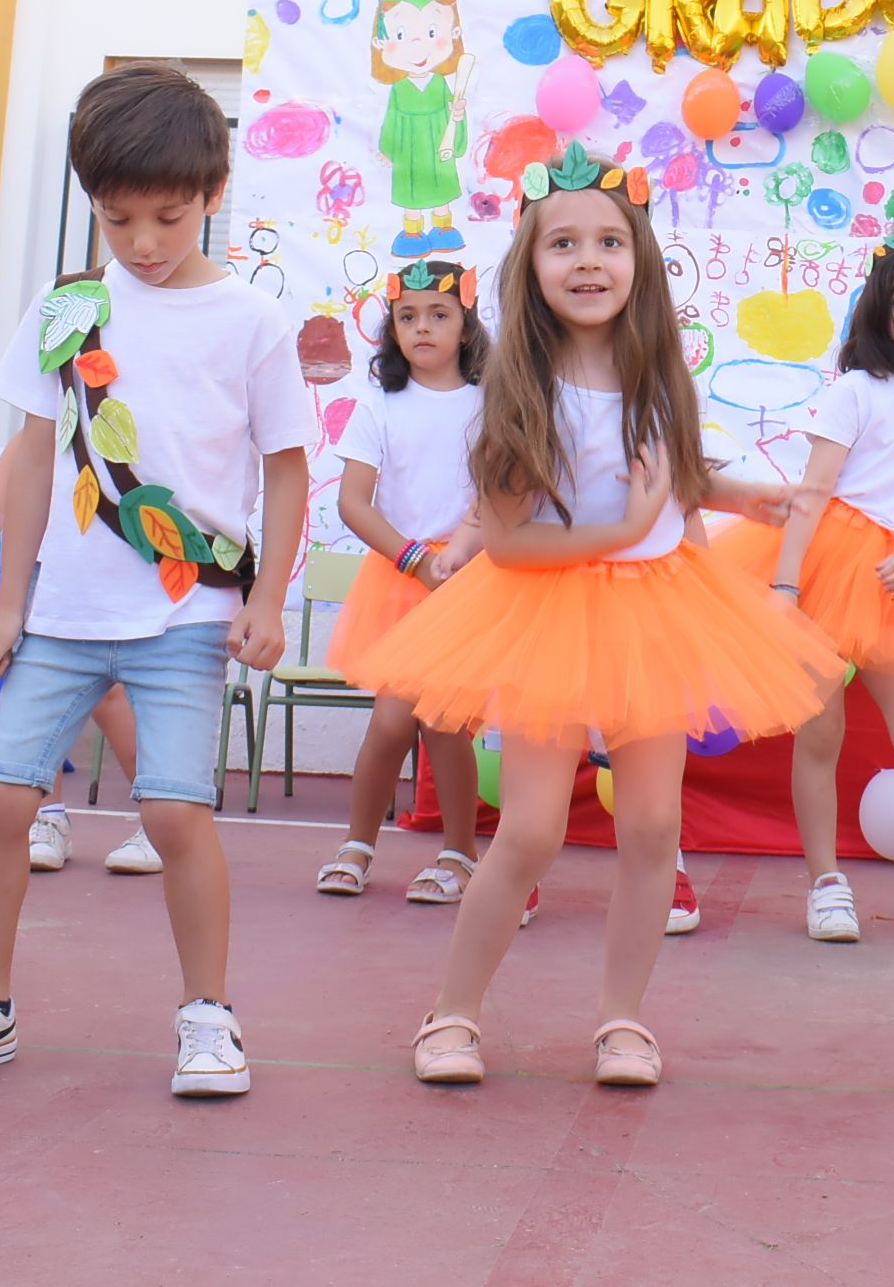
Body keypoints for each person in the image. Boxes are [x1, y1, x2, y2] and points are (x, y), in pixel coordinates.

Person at [345, 140, 832, 1090]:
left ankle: (623, 1021)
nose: (588, 261)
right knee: (530, 831)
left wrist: (739, 498)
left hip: (657, 612)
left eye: (610, 241)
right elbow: (516, 543)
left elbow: (669, 468)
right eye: (563, 243)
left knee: (653, 827)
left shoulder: (657, 374)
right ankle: (451, 1014)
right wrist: (638, 525)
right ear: (529, 265)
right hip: (550, 611)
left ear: (640, 260)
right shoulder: (517, 392)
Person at [0, 63, 310, 1097]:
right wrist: (10, 601)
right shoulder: (69, 305)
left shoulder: (252, 320)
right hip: (61, 614)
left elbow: (287, 467)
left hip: (186, 611)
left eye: (169, 215)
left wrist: (266, 599)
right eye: (119, 220)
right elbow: (31, 454)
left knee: (172, 812)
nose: (146, 243)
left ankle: (208, 1011)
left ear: (214, 189)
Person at [712, 238, 894, 946]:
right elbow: (813, 493)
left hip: (892, 574)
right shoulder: (857, 390)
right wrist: (785, 583)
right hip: (822, 566)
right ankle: (825, 885)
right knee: (822, 730)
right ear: (880, 312)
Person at [318, 256, 491, 905]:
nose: (422, 328)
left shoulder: (490, 402)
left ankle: (459, 854)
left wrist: (462, 560)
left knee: (447, 724)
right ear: (392, 328)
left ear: (467, 328)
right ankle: (357, 845)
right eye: (408, 316)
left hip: (469, 581)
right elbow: (355, 503)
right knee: (392, 722)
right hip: (401, 574)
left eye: (439, 315)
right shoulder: (379, 405)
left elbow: (504, 493)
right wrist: (417, 560)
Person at [0, 443, 159, 877]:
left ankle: (158, 820)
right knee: (32, 679)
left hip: (123, 552)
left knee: (111, 694)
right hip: (50, 555)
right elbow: (30, 438)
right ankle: (47, 818)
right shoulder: (57, 376)